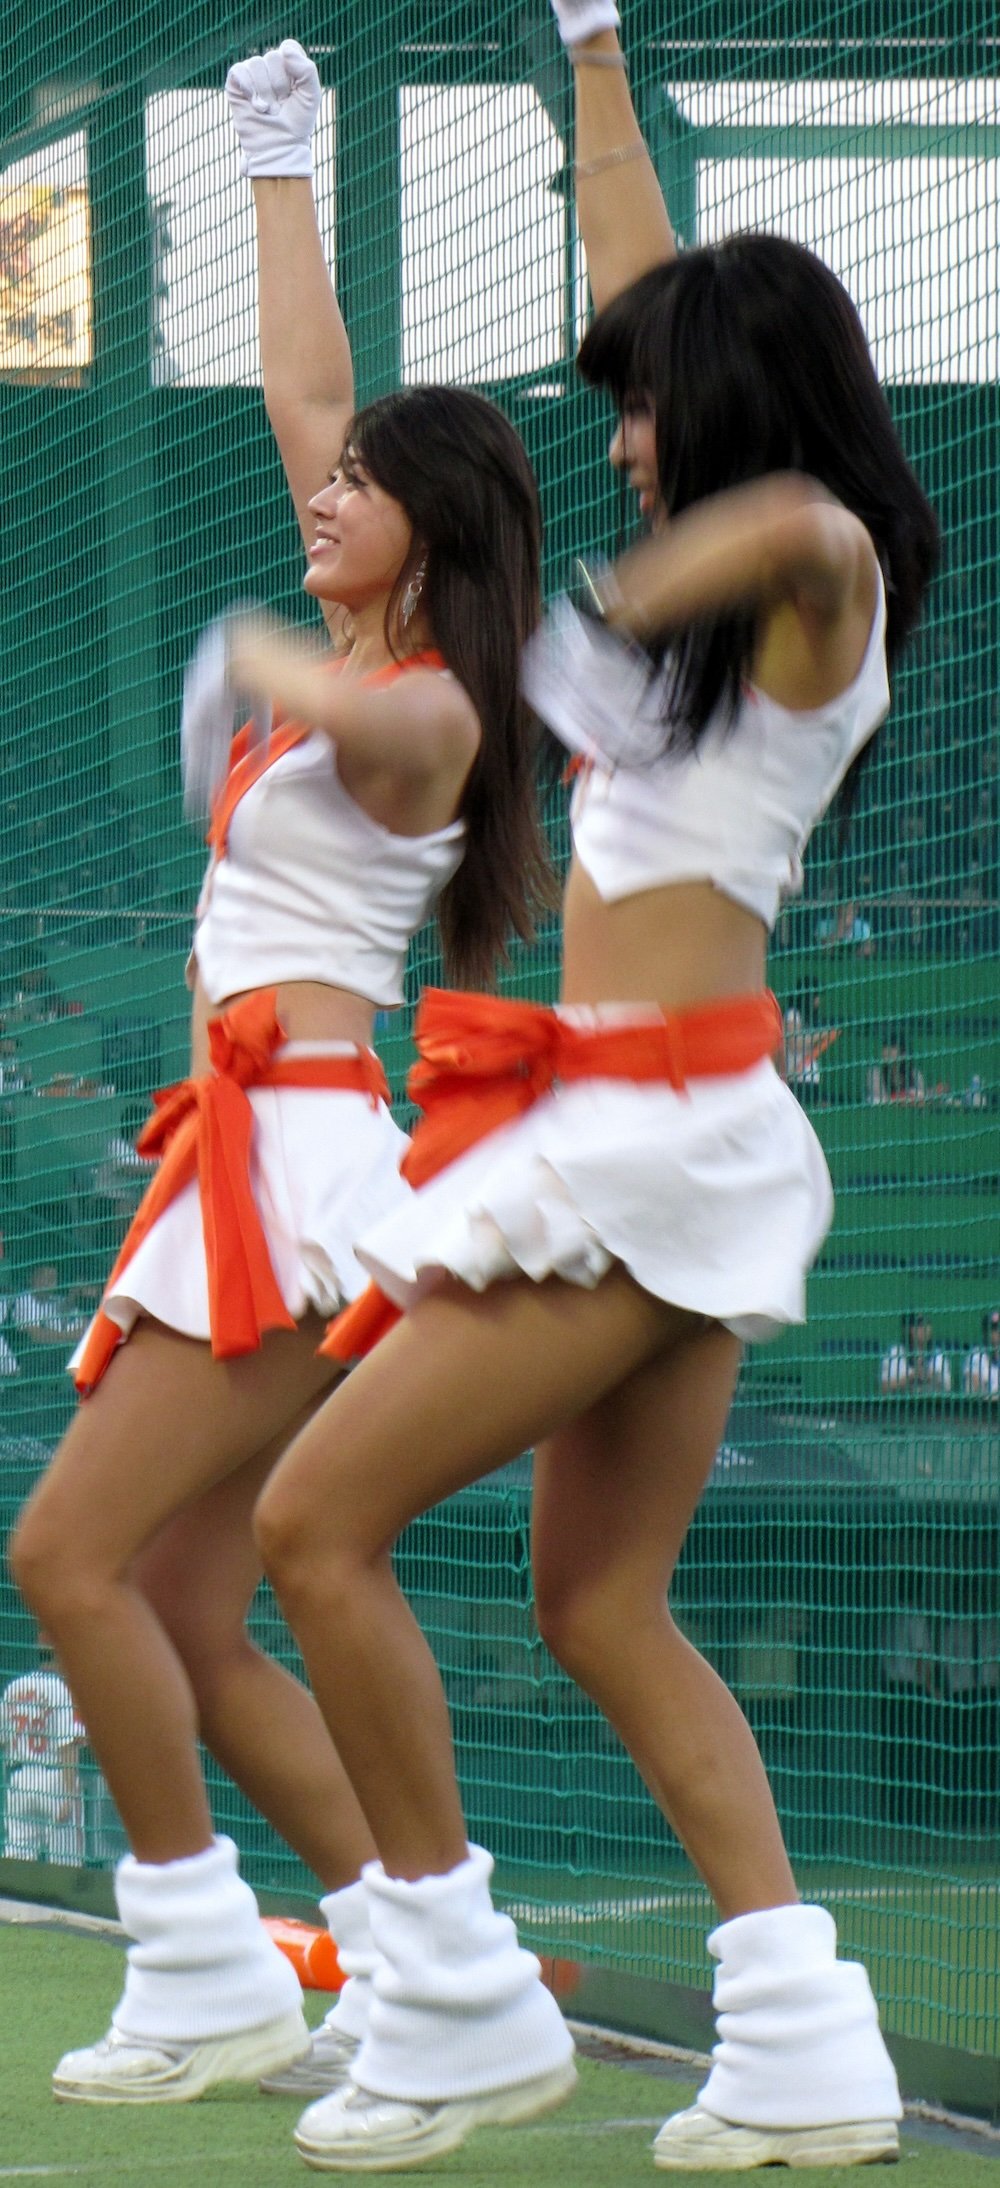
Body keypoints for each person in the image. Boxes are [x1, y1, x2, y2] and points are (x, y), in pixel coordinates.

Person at [246, 2, 938, 2172]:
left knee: (311, 1519)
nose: (616, 440)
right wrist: (595, 55)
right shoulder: (691, 599)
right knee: (595, 1604)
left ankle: (446, 1992)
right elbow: (648, 284)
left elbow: (799, 526)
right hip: (639, 1130)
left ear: (722, 414)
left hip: (655, 1141)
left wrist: (623, 587)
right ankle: (805, 2044)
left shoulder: (813, 577)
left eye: (644, 412)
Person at [10, 39, 550, 2107]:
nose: (317, 493)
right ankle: (424, 1956)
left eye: (353, 491)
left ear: (428, 528)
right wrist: (277, 167)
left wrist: (250, 649)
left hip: (301, 1164)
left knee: (65, 1557)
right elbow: (308, 401)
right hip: (233, 1142)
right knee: (173, 1595)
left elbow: (376, 721)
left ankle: (212, 1965)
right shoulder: (371, 616)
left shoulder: (433, 705)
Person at [0, 1634, 86, 1864]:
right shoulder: (60, 1689)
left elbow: (2, 1740)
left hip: (19, 1780)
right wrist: (70, 1793)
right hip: (55, 1780)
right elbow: (68, 1744)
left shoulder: (14, 1687)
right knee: (66, 1862)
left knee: (17, 1858)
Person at [880, 1313, 951, 1397]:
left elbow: (948, 1388)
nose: (924, 1329)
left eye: (927, 1324)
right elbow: (883, 1388)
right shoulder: (894, 1353)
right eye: (919, 1325)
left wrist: (932, 1377)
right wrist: (911, 1377)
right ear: (909, 1329)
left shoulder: (938, 1355)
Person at [962, 1308, 1000, 1398]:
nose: (998, 1332)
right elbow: (974, 1390)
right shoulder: (976, 1355)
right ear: (985, 1332)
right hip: (983, 1408)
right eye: (994, 1329)